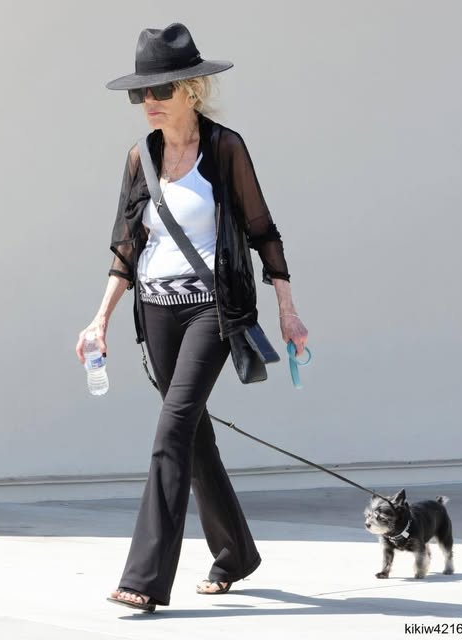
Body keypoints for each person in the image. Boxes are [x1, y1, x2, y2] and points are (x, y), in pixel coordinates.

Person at [75, 22, 308, 612]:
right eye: (140, 93)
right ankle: (236, 554)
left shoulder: (225, 148)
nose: (148, 102)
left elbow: (263, 231)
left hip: (212, 310)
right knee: (194, 435)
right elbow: (126, 249)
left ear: (191, 90)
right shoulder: (140, 157)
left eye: (160, 90)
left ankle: (145, 578)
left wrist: (287, 309)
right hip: (156, 313)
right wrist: (99, 320)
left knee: (172, 430)